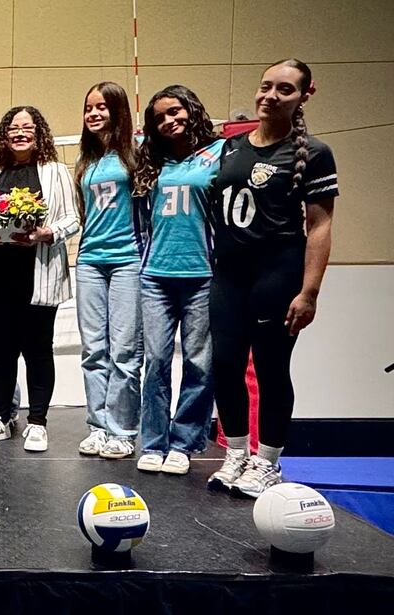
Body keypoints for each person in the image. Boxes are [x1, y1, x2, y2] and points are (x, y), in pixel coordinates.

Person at [208, 59, 337, 497]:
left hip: (277, 275)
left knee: (271, 368)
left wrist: (309, 292)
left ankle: (267, 462)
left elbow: (320, 225)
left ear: (303, 96)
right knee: (225, 365)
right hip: (229, 276)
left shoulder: (314, 153)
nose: (271, 96)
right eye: (266, 86)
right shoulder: (231, 148)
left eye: (285, 89)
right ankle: (236, 454)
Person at [0, 106, 79, 452]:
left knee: (38, 350)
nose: (19, 133)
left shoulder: (55, 172)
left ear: (39, 133)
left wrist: (47, 233)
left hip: (38, 277)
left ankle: (38, 422)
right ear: (4, 135)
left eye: (27, 127)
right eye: (13, 128)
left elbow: (72, 219)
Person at [130, 85, 223, 476]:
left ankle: (185, 442)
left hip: (202, 275)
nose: (169, 121)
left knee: (200, 364)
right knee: (155, 361)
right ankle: (153, 442)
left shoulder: (219, 153)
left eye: (175, 112)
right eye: (159, 117)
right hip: (156, 277)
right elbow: (140, 221)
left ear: (192, 110)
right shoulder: (152, 162)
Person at [73, 82, 143, 460]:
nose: (94, 114)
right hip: (89, 261)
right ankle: (98, 427)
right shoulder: (85, 161)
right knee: (94, 350)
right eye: (89, 108)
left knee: (125, 352)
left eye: (101, 107)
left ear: (117, 111)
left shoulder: (135, 154)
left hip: (128, 260)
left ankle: (122, 430)